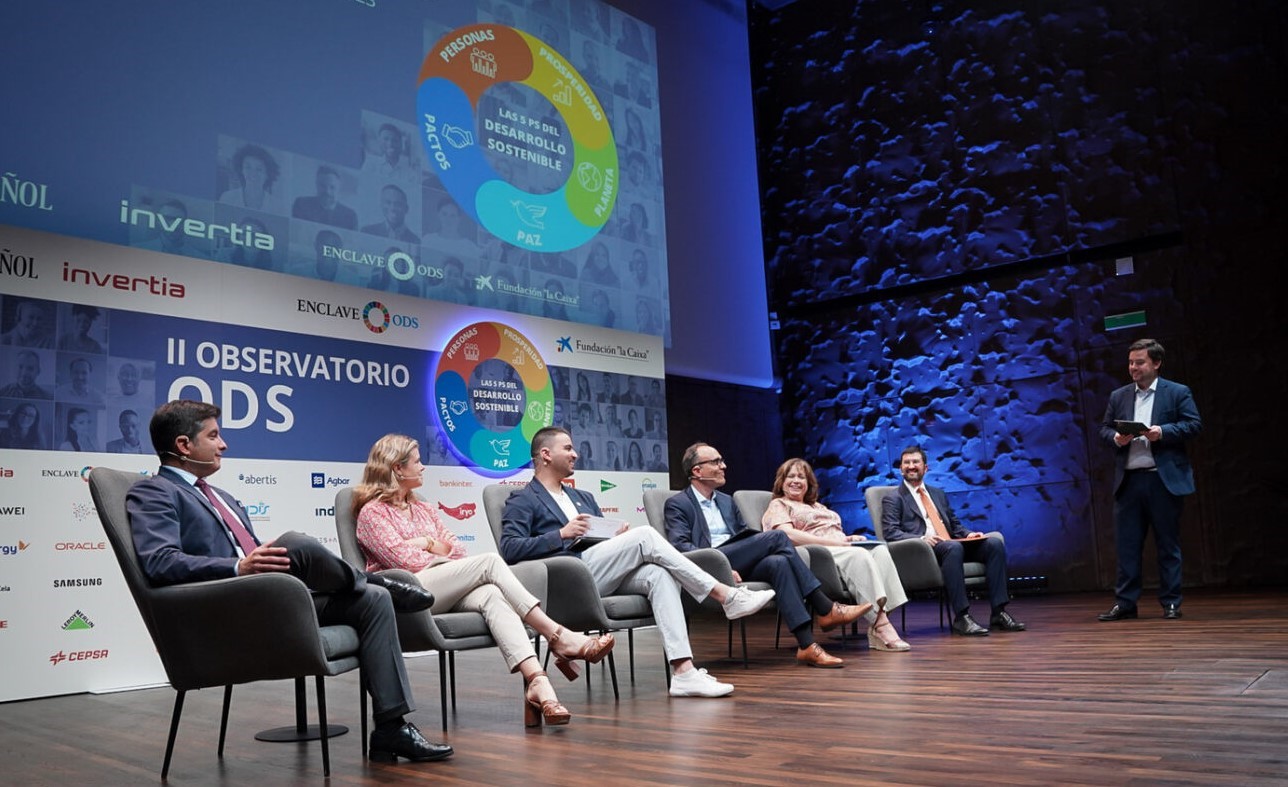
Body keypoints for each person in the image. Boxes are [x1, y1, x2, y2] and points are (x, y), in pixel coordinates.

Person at [125, 400, 452, 763]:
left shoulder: (224, 498)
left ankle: (391, 728)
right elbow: (159, 562)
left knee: (373, 600)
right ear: (184, 445)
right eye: (214, 436)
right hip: (224, 611)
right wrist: (237, 566)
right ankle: (375, 581)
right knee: (297, 543)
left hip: (272, 600)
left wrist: (257, 565)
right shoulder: (153, 492)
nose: (224, 445)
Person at [353, 434, 614, 727]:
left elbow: (458, 549)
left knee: (492, 593)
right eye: (417, 461)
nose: (424, 467)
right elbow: (404, 561)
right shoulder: (372, 513)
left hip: (443, 585)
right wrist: (432, 543)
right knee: (489, 561)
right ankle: (558, 636)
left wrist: (424, 544)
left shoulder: (423, 508)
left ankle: (538, 683)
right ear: (397, 469)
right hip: (407, 594)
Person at [500, 427, 775, 698]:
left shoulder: (582, 497)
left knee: (657, 574)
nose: (575, 454)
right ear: (546, 454)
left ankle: (684, 672)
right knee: (644, 535)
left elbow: (599, 542)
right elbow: (510, 549)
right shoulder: (523, 499)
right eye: (568, 448)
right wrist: (560, 534)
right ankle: (725, 595)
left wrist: (613, 535)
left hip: (597, 571)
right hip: (567, 581)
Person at [667, 444, 870, 667]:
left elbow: (743, 536)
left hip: (736, 561)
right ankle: (825, 607)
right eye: (716, 462)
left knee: (778, 562)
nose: (723, 466)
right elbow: (681, 548)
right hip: (711, 564)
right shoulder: (678, 504)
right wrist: (718, 568)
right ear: (697, 471)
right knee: (778, 536)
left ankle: (807, 646)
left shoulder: (726, 501)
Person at [1097, 338, 1202, 622]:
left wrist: (1163, 432)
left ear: (1156, 363)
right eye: (1131, 362)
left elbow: (1194, 424)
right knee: (1127, 546)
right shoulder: (1119, 396)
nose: (1133, 368)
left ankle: (1170, 602)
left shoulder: (1177, 392)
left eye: (1140, 362)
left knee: (1168, 545)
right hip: (1129, 482)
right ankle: (1126, 603)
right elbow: (1104, 429)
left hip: (1162, 480)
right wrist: (1116, 438)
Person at [765, 458, 913, 650]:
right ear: (781, 482)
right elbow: (787, 535)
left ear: (809, 483)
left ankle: (880, 619)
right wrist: (836, 543)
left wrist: (848, 538)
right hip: (815, 556)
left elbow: (831, 531)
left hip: (838, 548)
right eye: (790, 476)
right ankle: (881, 626)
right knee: (859, 556)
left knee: (880, 552)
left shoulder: (818, 506)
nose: (796, 480)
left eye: (801, 477)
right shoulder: (779, 505)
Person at [881, 447, 1026, 636]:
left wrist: (969, 534)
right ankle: (962, 617)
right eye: (906, 463)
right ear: (901, 469)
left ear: (926, 467)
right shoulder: (893, 498)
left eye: (915, 462)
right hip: (923, 552)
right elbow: (890, 532)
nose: (911, 466)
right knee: (953, 548)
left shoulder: (937, 494)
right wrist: (921, 538)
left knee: (993, 544)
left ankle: (999, 612)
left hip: (950, 545)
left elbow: (954, 525)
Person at [218, 143, 285, 214]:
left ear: (267, 174)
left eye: (259, 169)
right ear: (241, 170)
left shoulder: (278, 207)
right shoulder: (227, 198)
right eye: (248, 167)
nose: (253, 173)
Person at [292, 165, 358, 229]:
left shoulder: (350, 216)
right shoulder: (302, 205)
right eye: (322, 186)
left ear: (339, 188)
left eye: (332, 187)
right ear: (316, 185)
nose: (327, 191)